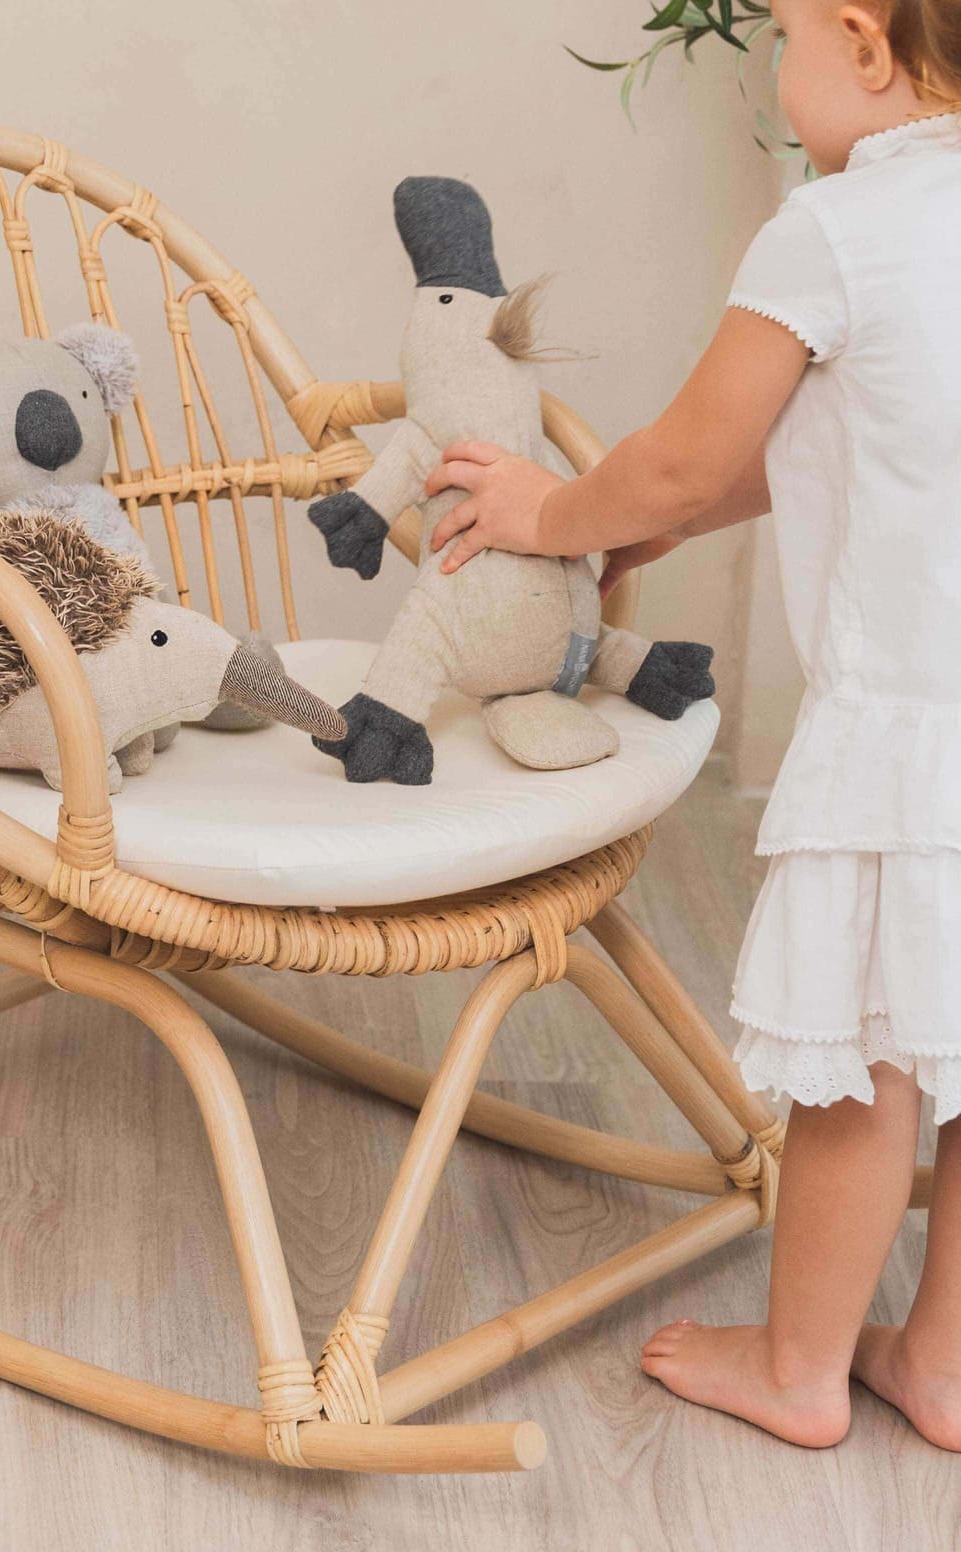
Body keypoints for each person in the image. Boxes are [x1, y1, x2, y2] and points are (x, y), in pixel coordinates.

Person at [422, 0, 961, 1450]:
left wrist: (553, 510)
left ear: (861, 42)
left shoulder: (834, 227)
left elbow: (679, 458)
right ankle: (947, 1366)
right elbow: (873, 441)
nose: (777, 76)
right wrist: (649, 523)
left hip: (914, 737)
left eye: (782, 36)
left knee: (864, 1063)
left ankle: (798, 1369)